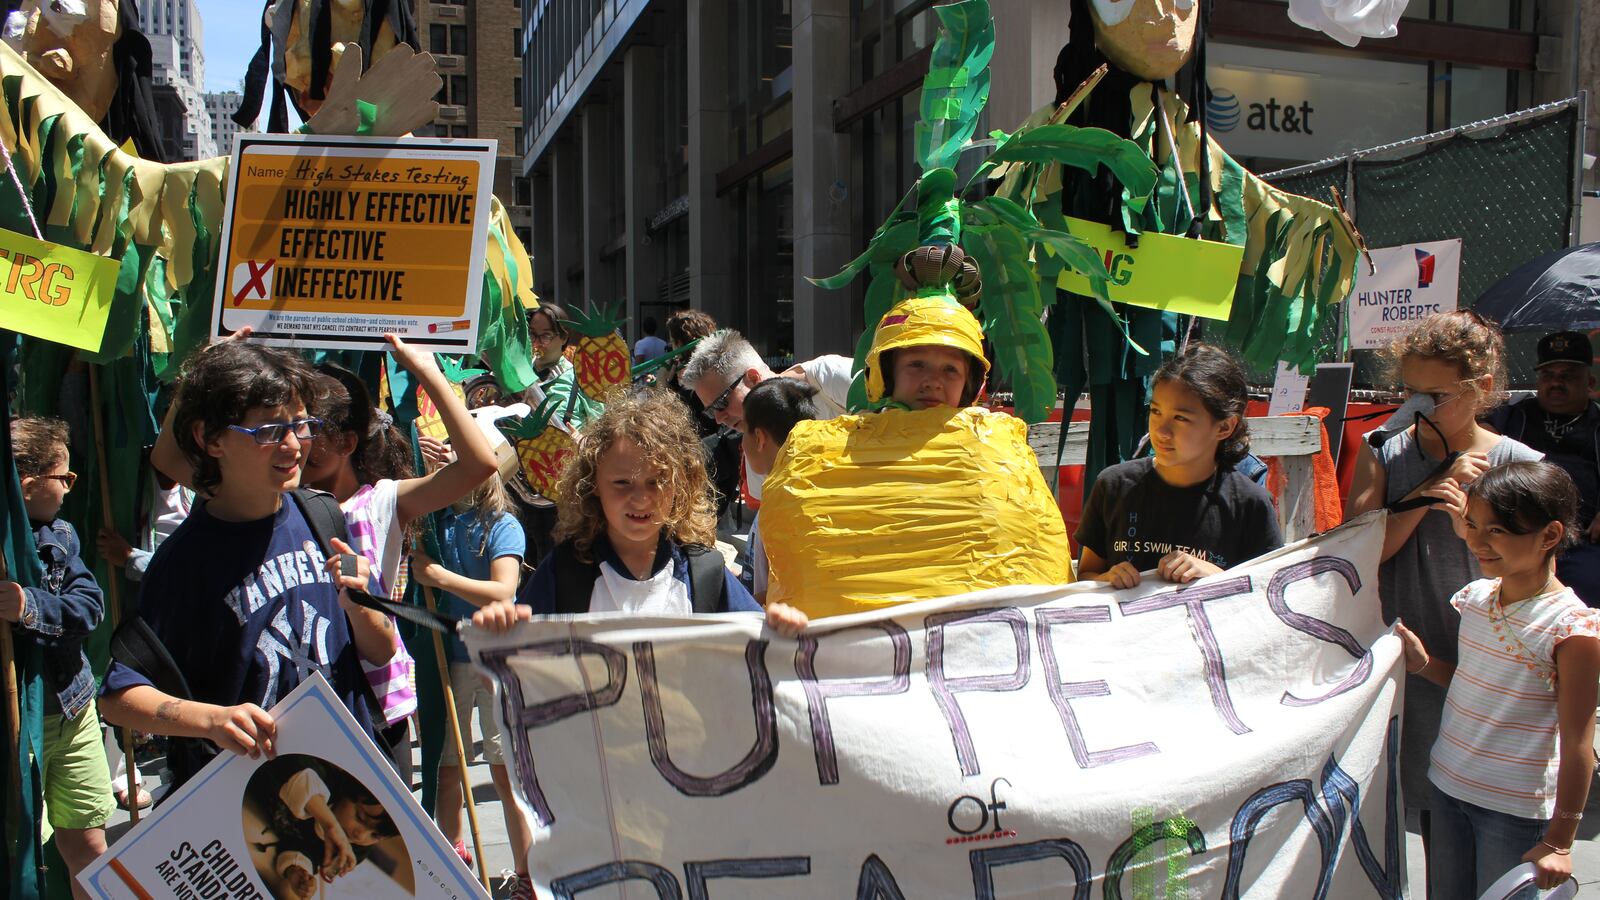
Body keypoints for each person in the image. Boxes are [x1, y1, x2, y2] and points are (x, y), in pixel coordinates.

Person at [99, 341, 390, 792]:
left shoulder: (323, 515)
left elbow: (382, 650)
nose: (295, 446)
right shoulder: (183, 562)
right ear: (210, 439)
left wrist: (361, 604)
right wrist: (212, 720)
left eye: (302, 425)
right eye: (270, 431)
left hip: (351, 779)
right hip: (245, 809)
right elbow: (118, 698)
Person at [1345, 310, 1542, 871]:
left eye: (1435, 396)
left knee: (1486, 821)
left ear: (1481, 388)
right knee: (1424, 814)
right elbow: (1362, 548)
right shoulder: (1386, 449)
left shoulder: (1518, 464)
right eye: (1408, 392)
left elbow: (1532, 584)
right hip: (1408, 655)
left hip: (1485, 667)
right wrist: (1432, 489)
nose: (1417, 409)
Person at [1395, 461, 1600, 896]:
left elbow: (1579, 741)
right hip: (1447, 787)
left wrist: (1559, 841)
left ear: (1550, 536)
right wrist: (1423, 664)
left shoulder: (1572, 628)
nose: (1476, 541)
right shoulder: (1477, 598)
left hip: (1515, 813)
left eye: (1497, 531)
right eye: (1472, 525)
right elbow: (1477, 682)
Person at [482, 390, 762, 619]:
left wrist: (781, 628)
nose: (640, 497)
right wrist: (499, 634)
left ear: (681, 486)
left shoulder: (705, 574)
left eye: (657, 481)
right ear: (592, 487)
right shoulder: (564, 573)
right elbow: (517, 664)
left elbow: (762, 651)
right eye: (622, 483)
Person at [405, 466, 534, 897]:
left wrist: (438, 577)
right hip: (448, 658)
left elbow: (502, 591)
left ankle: (526, 872)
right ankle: (454, 857)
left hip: (497, 659)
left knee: (505, 772)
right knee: (446, 768)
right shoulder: (433, 524)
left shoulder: (502, 524)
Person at [3, 417, 110, 897]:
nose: (69, 489)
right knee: (17, 845)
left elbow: (89, 609)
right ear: (27, 486)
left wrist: (29, 606)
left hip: (69, 710)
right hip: (15, 725)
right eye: (64, 478)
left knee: (88, 842)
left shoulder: (60, 537)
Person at [1076, 343, 1283, 588]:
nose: (1161, 431)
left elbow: (1267, 592)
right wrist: (1106, 579)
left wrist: (1215, 575)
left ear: (1225, 427)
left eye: (1181, 418)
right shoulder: (1114, 486)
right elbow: (1086, 575)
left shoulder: (1251, 505)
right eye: (1155, 412)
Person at [95, 462, 193, 811]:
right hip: (134, 609)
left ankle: (177, 777)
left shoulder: (197, 492)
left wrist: (132, 558)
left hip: (179, 612)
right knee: (120, 684)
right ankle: (122, 774)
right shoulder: (132, 487)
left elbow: (192, 571)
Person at [1486, 329, 1600, 607]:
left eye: (1568, 376)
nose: (1556, 383)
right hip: (1516, 535)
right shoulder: (1514, 415)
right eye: (1548, 375)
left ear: (1590, 382)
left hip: (1582, 541)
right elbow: (1476, 436)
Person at [738, 378, 821, 603]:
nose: (741, 444)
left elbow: (779, 593)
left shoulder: (782, 505)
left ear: (760, 438)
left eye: (743, 431)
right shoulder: (819, 491)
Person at [679, 329, 853, 435]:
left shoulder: (834, 377)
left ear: (753, 378)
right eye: (711, 411)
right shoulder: (757, 442)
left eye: (721, 402)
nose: (718, 419)